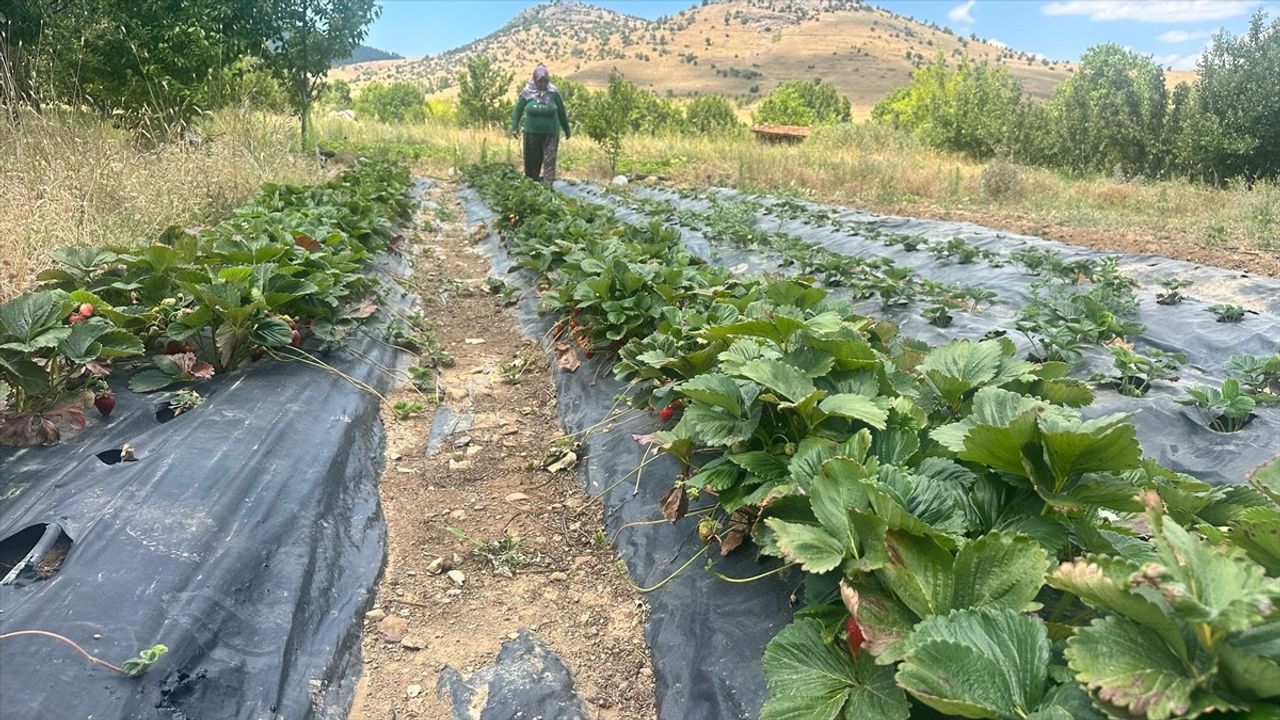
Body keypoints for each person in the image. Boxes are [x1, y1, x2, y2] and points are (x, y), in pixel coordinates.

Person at [510, 65, 571, 185]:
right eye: (540, 81)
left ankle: (548, 187)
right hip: (531, 133)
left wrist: (566, 129)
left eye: (545, 80)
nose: (543, 83)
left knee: (549, 160)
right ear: (534, 80)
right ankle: (532, 186)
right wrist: (514, 127)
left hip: (551, 133)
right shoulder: (527, 93)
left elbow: (561, 112)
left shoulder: (553, 93)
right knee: (532, 162)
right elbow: (517, 110)